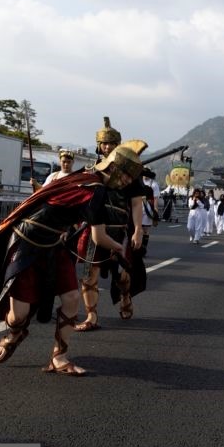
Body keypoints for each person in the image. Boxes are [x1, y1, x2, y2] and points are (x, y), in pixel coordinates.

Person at [0, 141, 147, 376]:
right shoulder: (92, 187)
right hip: (27, 244)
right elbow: (99, 237)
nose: (127, 182)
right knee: (18, 315)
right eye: (126, 175)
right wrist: (119, 249)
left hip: (55, 245)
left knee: (72, 297)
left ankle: (59, 356)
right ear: (114, 168)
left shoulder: (89, 181)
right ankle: (14, 334)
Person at [74, 118, 146, 331]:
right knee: (89, 276)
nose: (107, 147)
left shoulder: (129, 172)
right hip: (93, 229)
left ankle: (125, 295)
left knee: (122, 276)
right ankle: (91, 317)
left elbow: (136, 203)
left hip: (118, 230)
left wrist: (138, 230)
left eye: (111, 144)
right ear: (99, 145)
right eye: (104, 144)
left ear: (118, 145)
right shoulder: (91, 170)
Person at [140, 167, 160, 256]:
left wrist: (155, 211)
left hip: (148, 207)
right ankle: (137, 247)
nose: (144, 176)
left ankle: (143, 248)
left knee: (146, 230)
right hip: (137, 205)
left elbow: (155, 199)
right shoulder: (138, 181)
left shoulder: (154, 184)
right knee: (137, 228)